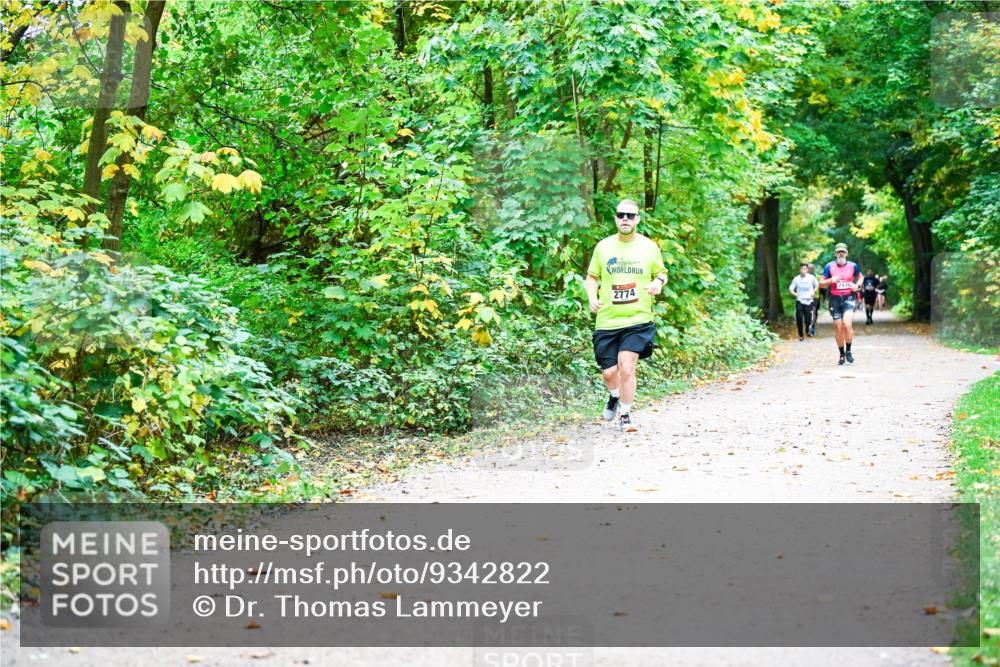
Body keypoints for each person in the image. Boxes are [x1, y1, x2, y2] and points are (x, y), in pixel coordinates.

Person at [585, 199, 668, 432]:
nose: (625, 219)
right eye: (621, 215)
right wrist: (592, 298)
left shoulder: (649, 247)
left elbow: (662, 274)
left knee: (627, 367)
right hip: (608, 320)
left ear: (637, 220)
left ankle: (626, 414)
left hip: (638, 319)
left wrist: (658, 282)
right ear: (615, 218)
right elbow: (592, 277)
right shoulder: (603, 247)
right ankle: (614, 395)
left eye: (630, 216)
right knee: (610, 372)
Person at [819, 243, 862, 365]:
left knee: (847, 324)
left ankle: (848, 351)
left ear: (847, 253)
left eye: (843, 251)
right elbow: (821, 283)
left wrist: (857, 285)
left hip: (848, 297)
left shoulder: (853, 266)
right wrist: (830, 280)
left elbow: (860, 277)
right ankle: (841, 354)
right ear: (835, 254)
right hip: (835, 299)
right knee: (839, 327)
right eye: (838, 252)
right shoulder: (829, 266)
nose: (841, 254)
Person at [789, 263, 819, 341]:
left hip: (809, 300)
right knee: (799, 318)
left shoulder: (811, 278)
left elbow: (817, 285)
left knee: (808, 319)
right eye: (802, 269)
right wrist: (796, 294)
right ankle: (801, 335)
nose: (803, 270)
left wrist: (814, 292)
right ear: (800, 270)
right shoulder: (796, 279)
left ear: (807, 270)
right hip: (800, 300)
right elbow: (791, 289)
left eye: (805, 269)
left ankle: (807, 330)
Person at [807, 263, 819, 336]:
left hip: (815, 297)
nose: (811, 269)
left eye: (812, 268)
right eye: (810, 268)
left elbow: (822, 287)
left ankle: (812, 327)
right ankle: (809, 327)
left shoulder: (817, 277)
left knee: (813, 312)